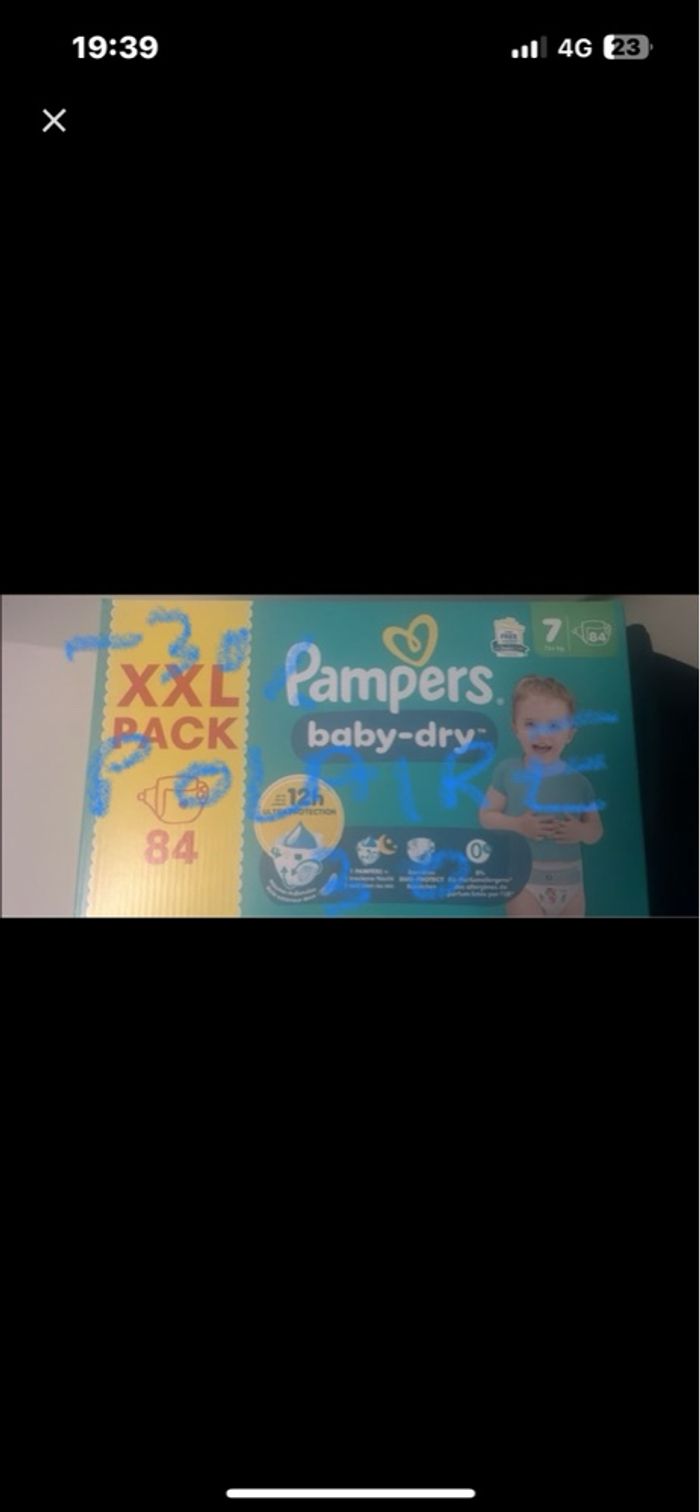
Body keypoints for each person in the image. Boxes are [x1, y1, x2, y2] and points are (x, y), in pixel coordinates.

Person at [479, 675, 603, 916]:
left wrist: (581, 832)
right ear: (515, 728)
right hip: (524, 879)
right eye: (531, 724)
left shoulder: (579, 782)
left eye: (554, 726)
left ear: (570, 733)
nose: (542, 735)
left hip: (572, 882)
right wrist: (519, 825)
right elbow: (486, 816)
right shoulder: (507, 771)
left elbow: (596, 831)